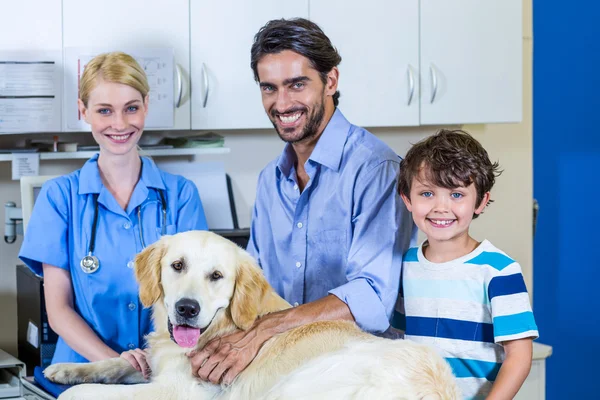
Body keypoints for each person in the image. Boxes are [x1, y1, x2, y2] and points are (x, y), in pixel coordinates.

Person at [188, 18, 416, 384]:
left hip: (357, 370)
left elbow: (372, 299)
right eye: (269, 88)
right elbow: (252, 280)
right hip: (283, 365)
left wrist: (266, 331)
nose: (282, 103)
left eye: (296, 85)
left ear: (331, 81)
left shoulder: (376, 170)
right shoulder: (269, 181)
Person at [19, 52, 208, 378]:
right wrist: (118, 364)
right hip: (83, 372)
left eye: (131, 108)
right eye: (104, 111)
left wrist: (154, 364)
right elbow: (59, 310)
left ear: (146, 106)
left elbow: (195, 293)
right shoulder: (59, 198)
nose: (119, 124)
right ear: (83, 111)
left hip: (163, 372)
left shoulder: (181, 196)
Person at [393, 129, 538, 399]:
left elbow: (519, 355)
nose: (441, 207)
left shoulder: (498, 271)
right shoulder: (404, 266)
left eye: (456, 195)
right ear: (407, 199)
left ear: (480, 202)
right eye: (427, 194)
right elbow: (399, 341)